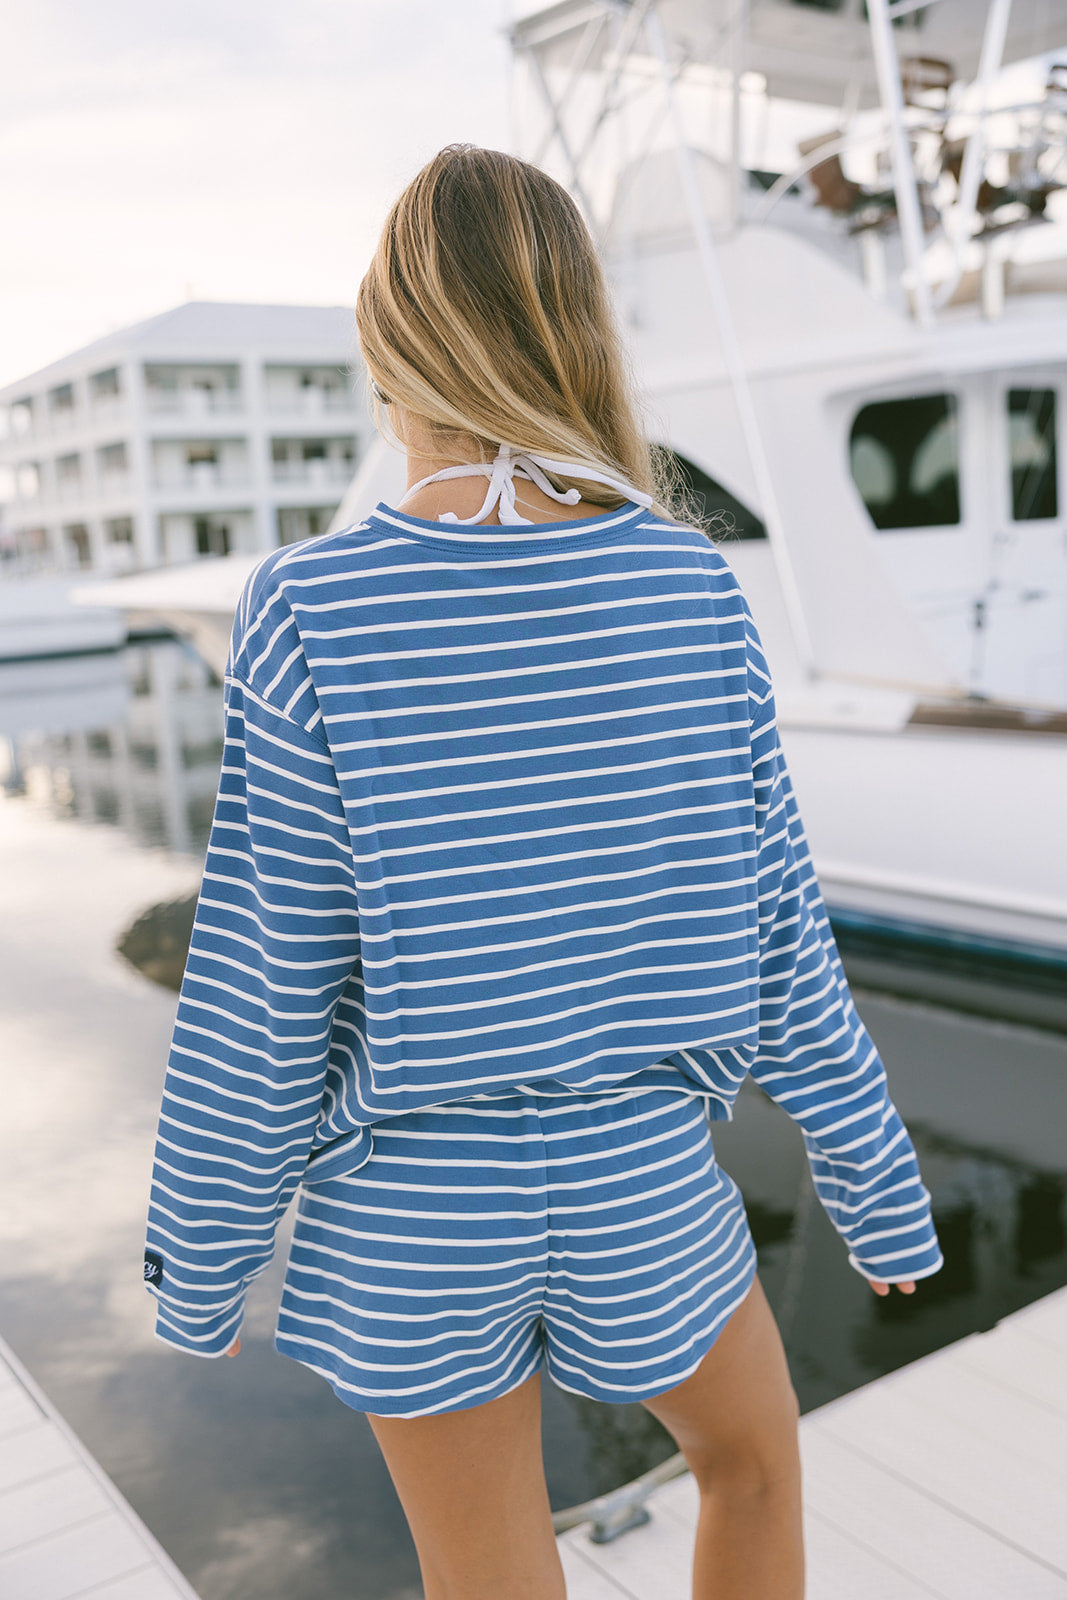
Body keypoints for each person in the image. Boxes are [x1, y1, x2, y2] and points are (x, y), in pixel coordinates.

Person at [144, 145, 942, 1600]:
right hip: (642, 1179)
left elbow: (267, 989)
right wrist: (879, 1186)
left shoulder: (310, 607)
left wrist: (200, 1270)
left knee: (490, 1579)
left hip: (410, 1209)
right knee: (753, 1471)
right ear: (577, 331)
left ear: (393, 346)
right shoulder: (692, 582)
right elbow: (782, 940)